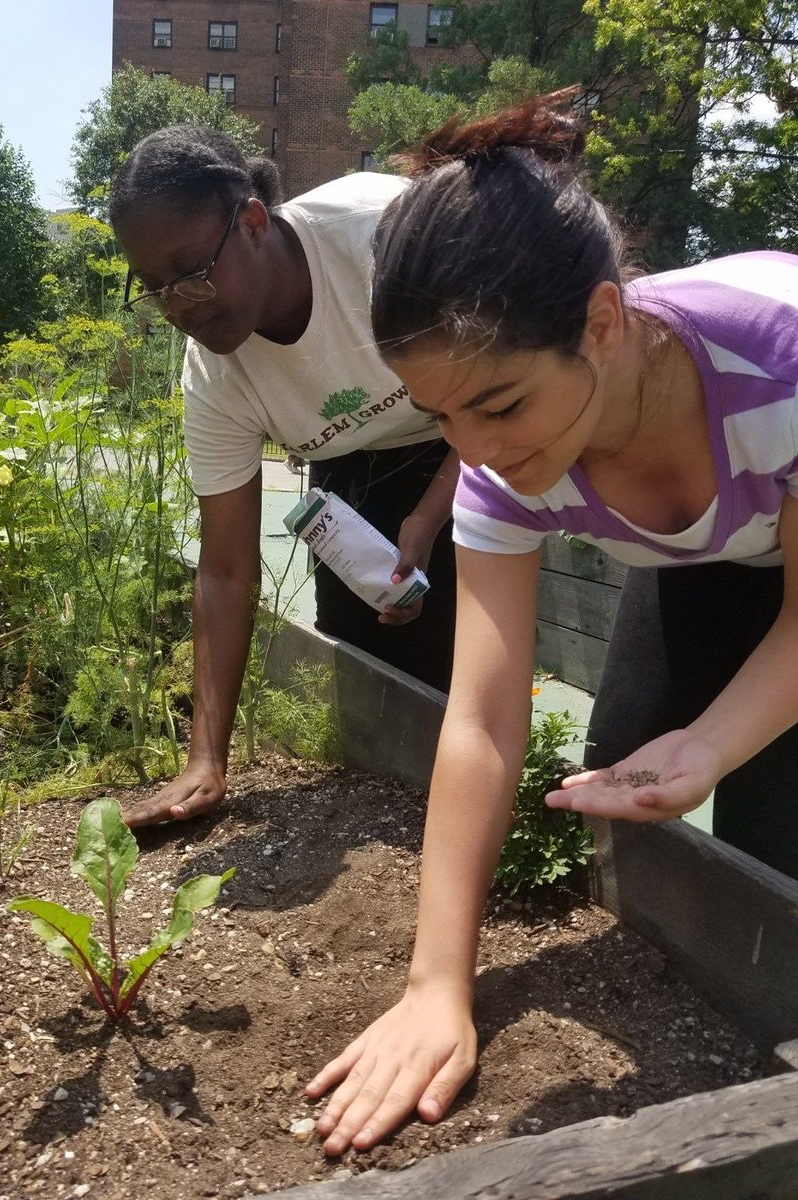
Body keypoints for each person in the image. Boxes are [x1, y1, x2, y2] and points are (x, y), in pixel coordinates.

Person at [305, 90, 798, 1155]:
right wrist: (439, 984)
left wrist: (716, 743)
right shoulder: (500, 464)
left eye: (499, 406)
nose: (471, 453)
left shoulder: (784, 367)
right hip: (715, 551)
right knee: (627, 782)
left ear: (605, 322)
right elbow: (480, 722)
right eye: (439, 415)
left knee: (778, 845)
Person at [109, 126, 458, 828]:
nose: (182, 306)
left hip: (477, 433)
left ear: (253, 221)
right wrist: (206, 757)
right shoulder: (214, 375)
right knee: (369, 676)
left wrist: (426, 518)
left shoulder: (378, 232)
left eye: (193, 271)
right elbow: (227, 570)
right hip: (348, 476)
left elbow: (517, 389)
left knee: (458, 679)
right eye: (155, 290)